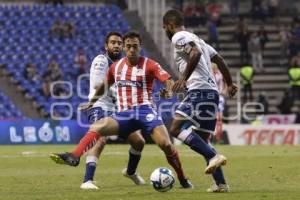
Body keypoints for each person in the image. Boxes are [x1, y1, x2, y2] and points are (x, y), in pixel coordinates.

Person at [49, 31, 193, 189]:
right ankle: (74, 156)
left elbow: (168, 80)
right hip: (124, 113)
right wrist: (92, 102)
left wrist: (169, 91)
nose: (131, 49)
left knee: (165, 144)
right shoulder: (115, 67)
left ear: (140, 47)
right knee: (98, 127)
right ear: (125, 48)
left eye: (135, 46)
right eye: (128, 46)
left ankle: (183, 179)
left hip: (145, 111)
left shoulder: (150, 64)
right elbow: (104, 85)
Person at [162, 9, 238, 193]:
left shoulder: (178, 36)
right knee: (203, 138)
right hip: (212, 93)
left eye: (165, 28)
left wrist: (184, 78)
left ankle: (213, 155)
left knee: (175, 128)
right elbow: (219, 59)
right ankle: (220, 184)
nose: (165, 31)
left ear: (170, 26)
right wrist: (229, 83)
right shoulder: (199, 40)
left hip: (199, 91)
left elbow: (194, 54)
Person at [77, 32, 146, 190]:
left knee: (139, 142)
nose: (116, 45)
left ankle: (130, 172)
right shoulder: (101, 60)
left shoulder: (123, 64)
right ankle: (87, 180)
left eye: (119, 43)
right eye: (113, 42)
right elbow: (96, 85)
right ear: (106, 46)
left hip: (117, 109)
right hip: (99, 105)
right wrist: (119, 94)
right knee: (100, 138)